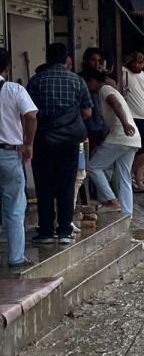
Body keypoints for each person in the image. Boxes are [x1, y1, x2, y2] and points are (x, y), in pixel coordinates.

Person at [27, 43, 92, 245]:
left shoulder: (36, 81)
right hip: (69, 142)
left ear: (48, 58)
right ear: (66, 60)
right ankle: (64, 230)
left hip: (42, 141)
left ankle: (46, 231)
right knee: (66, 185)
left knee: (44, 185)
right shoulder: (77, 81)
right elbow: (87, 112)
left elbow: (29, 113)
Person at [82, 69, 140, 216]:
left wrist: (125, 124)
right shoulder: (108, 90)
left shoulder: (104, 90)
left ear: (92, 81)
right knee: (124, 177)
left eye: (87, 84)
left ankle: (111, 200)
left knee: (93, 167)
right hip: (131, 138)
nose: (87, 88)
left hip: (121, 135)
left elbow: (116, 105)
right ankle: (127, 213)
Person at [0, 49, 37, 267]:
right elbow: (31, 115)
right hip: (8, 154)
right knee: (14, 207)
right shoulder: (14, 89)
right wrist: (29, 143)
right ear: (7, 68)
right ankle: (15, 258)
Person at [121, 51, 144, 191]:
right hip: (134, 118)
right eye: (135, 62)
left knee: (141, 150)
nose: (137, 65)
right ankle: (126, 173)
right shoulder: (124, 73)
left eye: (141, 62)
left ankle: (139, 182)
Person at [81, 48, 109, 155]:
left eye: (99, 61)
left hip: (100, 123)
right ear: (86, 61)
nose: (97, 63)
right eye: (93, 60)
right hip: (86, 123)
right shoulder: (80, 79)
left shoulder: (102, 79)